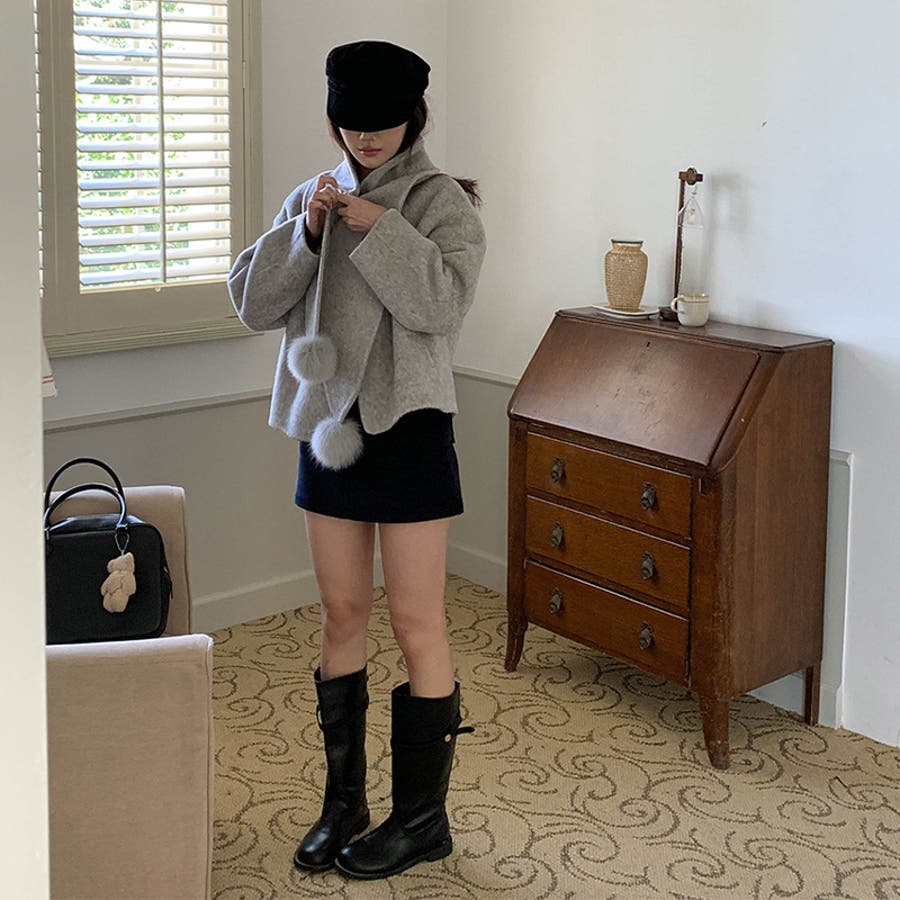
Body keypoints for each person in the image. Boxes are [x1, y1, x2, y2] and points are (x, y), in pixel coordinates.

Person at [227, 40, 486, 880]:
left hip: (408, 429)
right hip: (328, 429)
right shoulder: (314, 196)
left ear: (413, 116)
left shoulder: (443, 202)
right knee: (342, 613)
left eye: (381, 123)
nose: (365, 137)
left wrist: (384, 231)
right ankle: (344, 804)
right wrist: (307, 230)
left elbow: (440, 308)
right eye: (350, 122)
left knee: (416, 623)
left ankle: (422, 821)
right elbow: (254, 304)